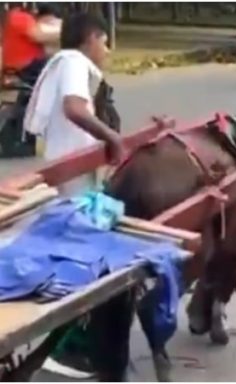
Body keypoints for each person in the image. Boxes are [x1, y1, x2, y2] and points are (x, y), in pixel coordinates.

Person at [23, 12, 126, 378]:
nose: (107, 50)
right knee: (86, 254)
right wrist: (111, 139)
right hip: (72, 178)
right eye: (105, 42)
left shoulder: (68, 63)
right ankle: (70, 343)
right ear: (92, 38)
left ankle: (75, 335)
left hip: (74, 174)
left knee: (83, 248)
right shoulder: (73, 61)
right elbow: (74, 108)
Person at [1, 3, 60, 75]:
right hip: (27, 68)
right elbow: (40, 35)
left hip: (19, 68)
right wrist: (68, 32)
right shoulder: (18, 16)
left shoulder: (9, 18)